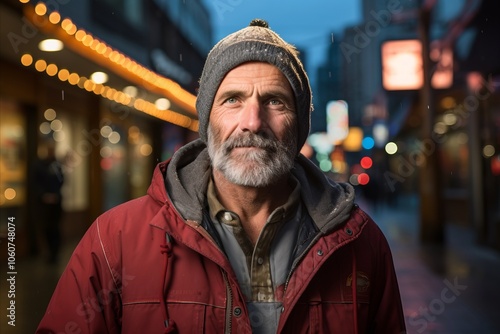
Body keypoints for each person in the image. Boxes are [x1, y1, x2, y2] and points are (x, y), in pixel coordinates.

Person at [37, 19, 406, 333]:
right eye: (232, 99)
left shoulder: (361, 245)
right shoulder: (113, 241)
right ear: (207, 121)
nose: (252, 122)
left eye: (274, 101)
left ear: (300, 127)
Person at [34, 140, 64, 263]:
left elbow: (61, 181)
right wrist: (44, 195)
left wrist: (54, 195)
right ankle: (48, 253)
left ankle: (54, 253)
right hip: (43, 204)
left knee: (55, 228)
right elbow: (36, 182)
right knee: (46, 228)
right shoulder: (38, 165)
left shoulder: (57, 165)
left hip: (55, 202)